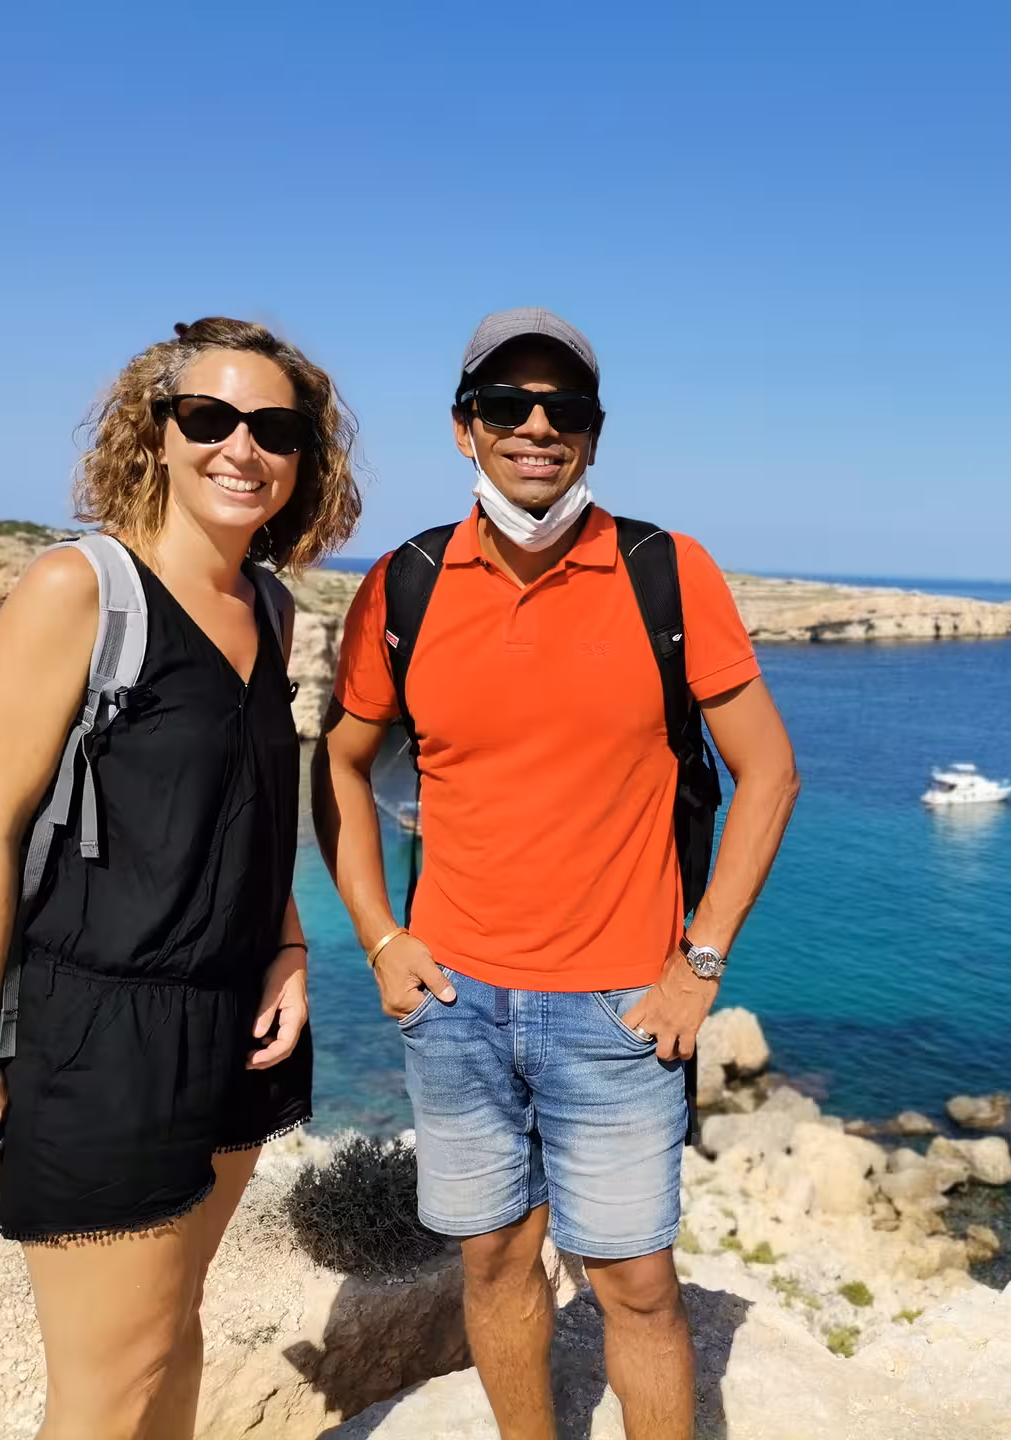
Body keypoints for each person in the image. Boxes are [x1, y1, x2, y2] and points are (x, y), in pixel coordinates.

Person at [313, 308, 799, 1440]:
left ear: (593, 431)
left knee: (636, 1286)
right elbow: (336, 763)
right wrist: (381, 938)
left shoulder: (664, 573)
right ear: (463, 429)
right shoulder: (408, 583)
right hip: (457, 1004)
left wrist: (701, 962)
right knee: (492, 1263)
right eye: (507, 406)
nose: (536, 427)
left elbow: (769, 773)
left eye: (563, 408)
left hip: (622, 1008)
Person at [0, 317, 361, 1440]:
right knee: (106, 1392)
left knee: (172, 1336)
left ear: (304, 457)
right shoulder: (80, 590)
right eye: (208, 419)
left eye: (274, 428)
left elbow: (250, 816)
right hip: (97, 1039)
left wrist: (292, 944)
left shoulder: (270, 609)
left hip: (233, 1025)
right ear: (157, 435)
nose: (241, 448)